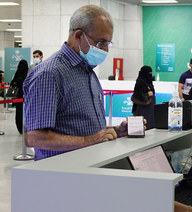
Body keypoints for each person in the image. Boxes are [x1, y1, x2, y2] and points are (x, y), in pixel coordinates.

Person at [23, 5, 130, 161]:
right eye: (101, 43)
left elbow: (82, 128)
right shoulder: (49, 74)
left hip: (89, 168)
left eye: (108, 43)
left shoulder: (87, 71)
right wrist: (88, 141)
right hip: (60, 174)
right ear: (79, 35)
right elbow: (34, 138)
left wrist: (114, 131)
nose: (106, 50)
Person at [10, 60, 28, 134]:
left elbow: (12, 84)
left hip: (18, 97)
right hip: (26, 97)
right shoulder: (28, 74)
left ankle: (20, 128)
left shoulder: (17, 74)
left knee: (19, 113)